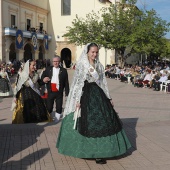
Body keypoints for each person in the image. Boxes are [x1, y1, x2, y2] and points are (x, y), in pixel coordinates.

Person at [56, 43, 131, 164]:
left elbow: (103, 83)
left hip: (98, 95)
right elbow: (78, 83)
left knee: (102, 121)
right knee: (87, 122)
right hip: (85, 94)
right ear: (87, 52)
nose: (95, 54)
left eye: (96, 52)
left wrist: (109, 97)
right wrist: (77, 100)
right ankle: (84, 149)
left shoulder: (99, 65)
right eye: (93, 52)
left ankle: (100, 152)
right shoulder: (81, 65)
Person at [12, 59, 51, 124]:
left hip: (34, 93)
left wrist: (44, 81)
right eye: (33, 65)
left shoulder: (36, 74)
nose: (35, 67)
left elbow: (39, 83)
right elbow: (18, 87)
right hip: (25, 95)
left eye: (35, 65)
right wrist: (16, 97)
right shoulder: (22, 75)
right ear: (28, 66)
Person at [41, 55, 69, 122]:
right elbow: (42, 77)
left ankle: (56, 119)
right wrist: (43, 79)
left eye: (57, 61)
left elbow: (66, 82)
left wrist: (67, 93)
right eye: (54, 61)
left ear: (59, 62)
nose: (56, 63)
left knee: (59, 106)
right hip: (50, 91)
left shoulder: (64, 70)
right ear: (52, 62)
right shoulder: (48, 69)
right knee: (49, 107)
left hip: (59, 92)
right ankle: (49, 117)